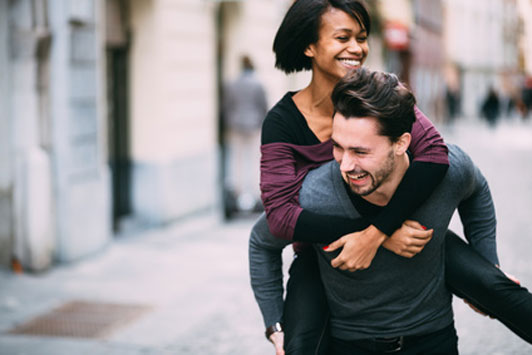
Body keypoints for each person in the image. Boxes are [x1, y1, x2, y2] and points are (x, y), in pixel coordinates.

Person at [249, 1, 532, 354]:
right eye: (343, 37)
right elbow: (277, 217)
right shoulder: (283, 122)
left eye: (362, 37)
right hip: (321, 247)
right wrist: (379, 235)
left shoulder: (378, 99)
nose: (357, 48)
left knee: (500, 291)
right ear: (309, 46)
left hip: (404, 221)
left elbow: (435, 156)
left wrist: (381, 230)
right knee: (298, 345)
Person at [222, 55, 268, 215]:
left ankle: (237, 192)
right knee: (254, 161)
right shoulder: (258, 84)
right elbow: (264, 106)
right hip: (254, 126)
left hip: (236, 126)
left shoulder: (232, 84)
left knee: (237, 161)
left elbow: (227, 106)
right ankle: (254, 194)